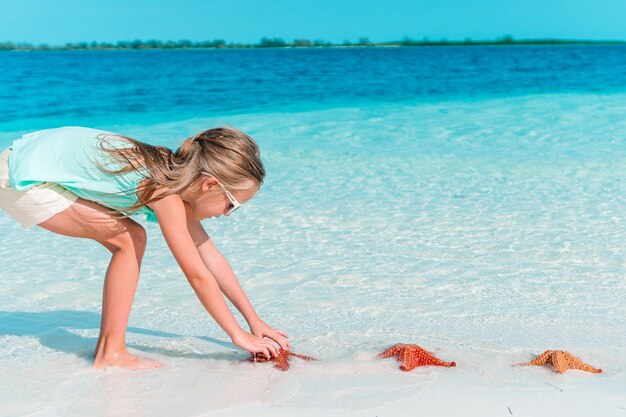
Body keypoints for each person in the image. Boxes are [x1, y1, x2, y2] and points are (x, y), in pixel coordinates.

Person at [0, 126, 289, 370]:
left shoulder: (171, 175)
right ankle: (110, 354)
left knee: (130, 238)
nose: (227, 214)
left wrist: (254, 320)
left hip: (25, 163)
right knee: (130, 239)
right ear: (210, 184)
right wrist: (238, 335)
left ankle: (108, 348)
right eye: (232, 205)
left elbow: (211, 257)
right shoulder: (165, 193)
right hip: (22, 179)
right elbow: (197, 274)